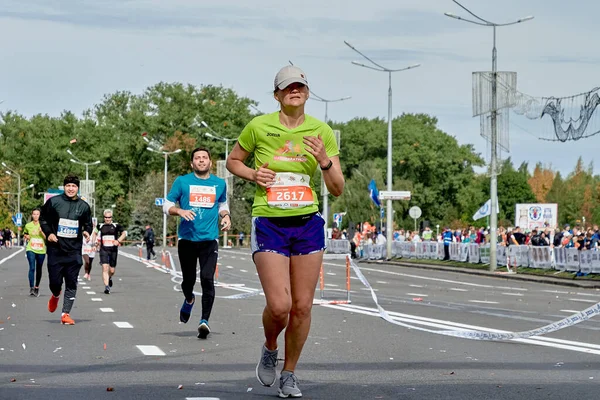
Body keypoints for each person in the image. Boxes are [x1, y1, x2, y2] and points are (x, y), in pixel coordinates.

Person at [226, 65, 344, 398]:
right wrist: (253, 175)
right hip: (269, 221)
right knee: (280, 305)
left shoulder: (321, 131)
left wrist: (324, 160)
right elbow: (233, 161)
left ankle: (289, 374)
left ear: (307, 92)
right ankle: (269, 346)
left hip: (307, 224)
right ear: (277, 95)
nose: (295, 90)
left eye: (300, 86)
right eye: (288, 87)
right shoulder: (258, 126)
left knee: (302, 306)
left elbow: (337, 188)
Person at [163, 147, 231, 339]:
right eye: (197, 158)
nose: (201, 160)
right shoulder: (182, 181)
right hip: (187, 239)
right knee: (188, 281)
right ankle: (189, 298)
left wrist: (226, 216)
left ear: (210, 162)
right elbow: (167, 204)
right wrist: (180, 211)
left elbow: (222, 204)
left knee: (208, 279)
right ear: (192, 163)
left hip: (210, 240)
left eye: (204, 158)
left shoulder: (219, 183)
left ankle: (204, 321)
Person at [40, 174, 92, 325]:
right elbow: (43, 219)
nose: (71, 189)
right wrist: (49, 233)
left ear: (77, 188)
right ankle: (56, 295)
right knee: (55, 283)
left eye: (74, 186)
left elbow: (88, 223)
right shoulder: (54, 202)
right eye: (68, 186)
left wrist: (87, 231)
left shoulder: (83, 206)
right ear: (64, 187)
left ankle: (65, 314)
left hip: (74, 250)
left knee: (71, 282)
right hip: (56, 249)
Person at [97, 210, 127, 294]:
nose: (107, 219)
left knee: (112, 270)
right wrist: (94, 241)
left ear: (111, 217)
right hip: (103, 250)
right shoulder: (100, 225)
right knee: (105, 268)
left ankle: (109, 277)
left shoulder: (116, 225)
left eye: (109, 217)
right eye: (106, 217)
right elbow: (94, 233)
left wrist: (118, 240)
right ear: (104, 217)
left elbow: (124, 233)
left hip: (113, 250)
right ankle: (107, 287)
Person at [23, 208, 46, 297]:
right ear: (32, 215)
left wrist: (42, 231)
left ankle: (37, 287)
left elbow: (46, 237)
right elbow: (25, 233)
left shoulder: (43, 225)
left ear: (40, 215)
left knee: (39, 268)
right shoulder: (28, 225)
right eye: (34, 214)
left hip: (41, 249)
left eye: (37, 214)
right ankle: (31, 287)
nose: (36, 216)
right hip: (31, 248)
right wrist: (26, 236)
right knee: (32, 267)